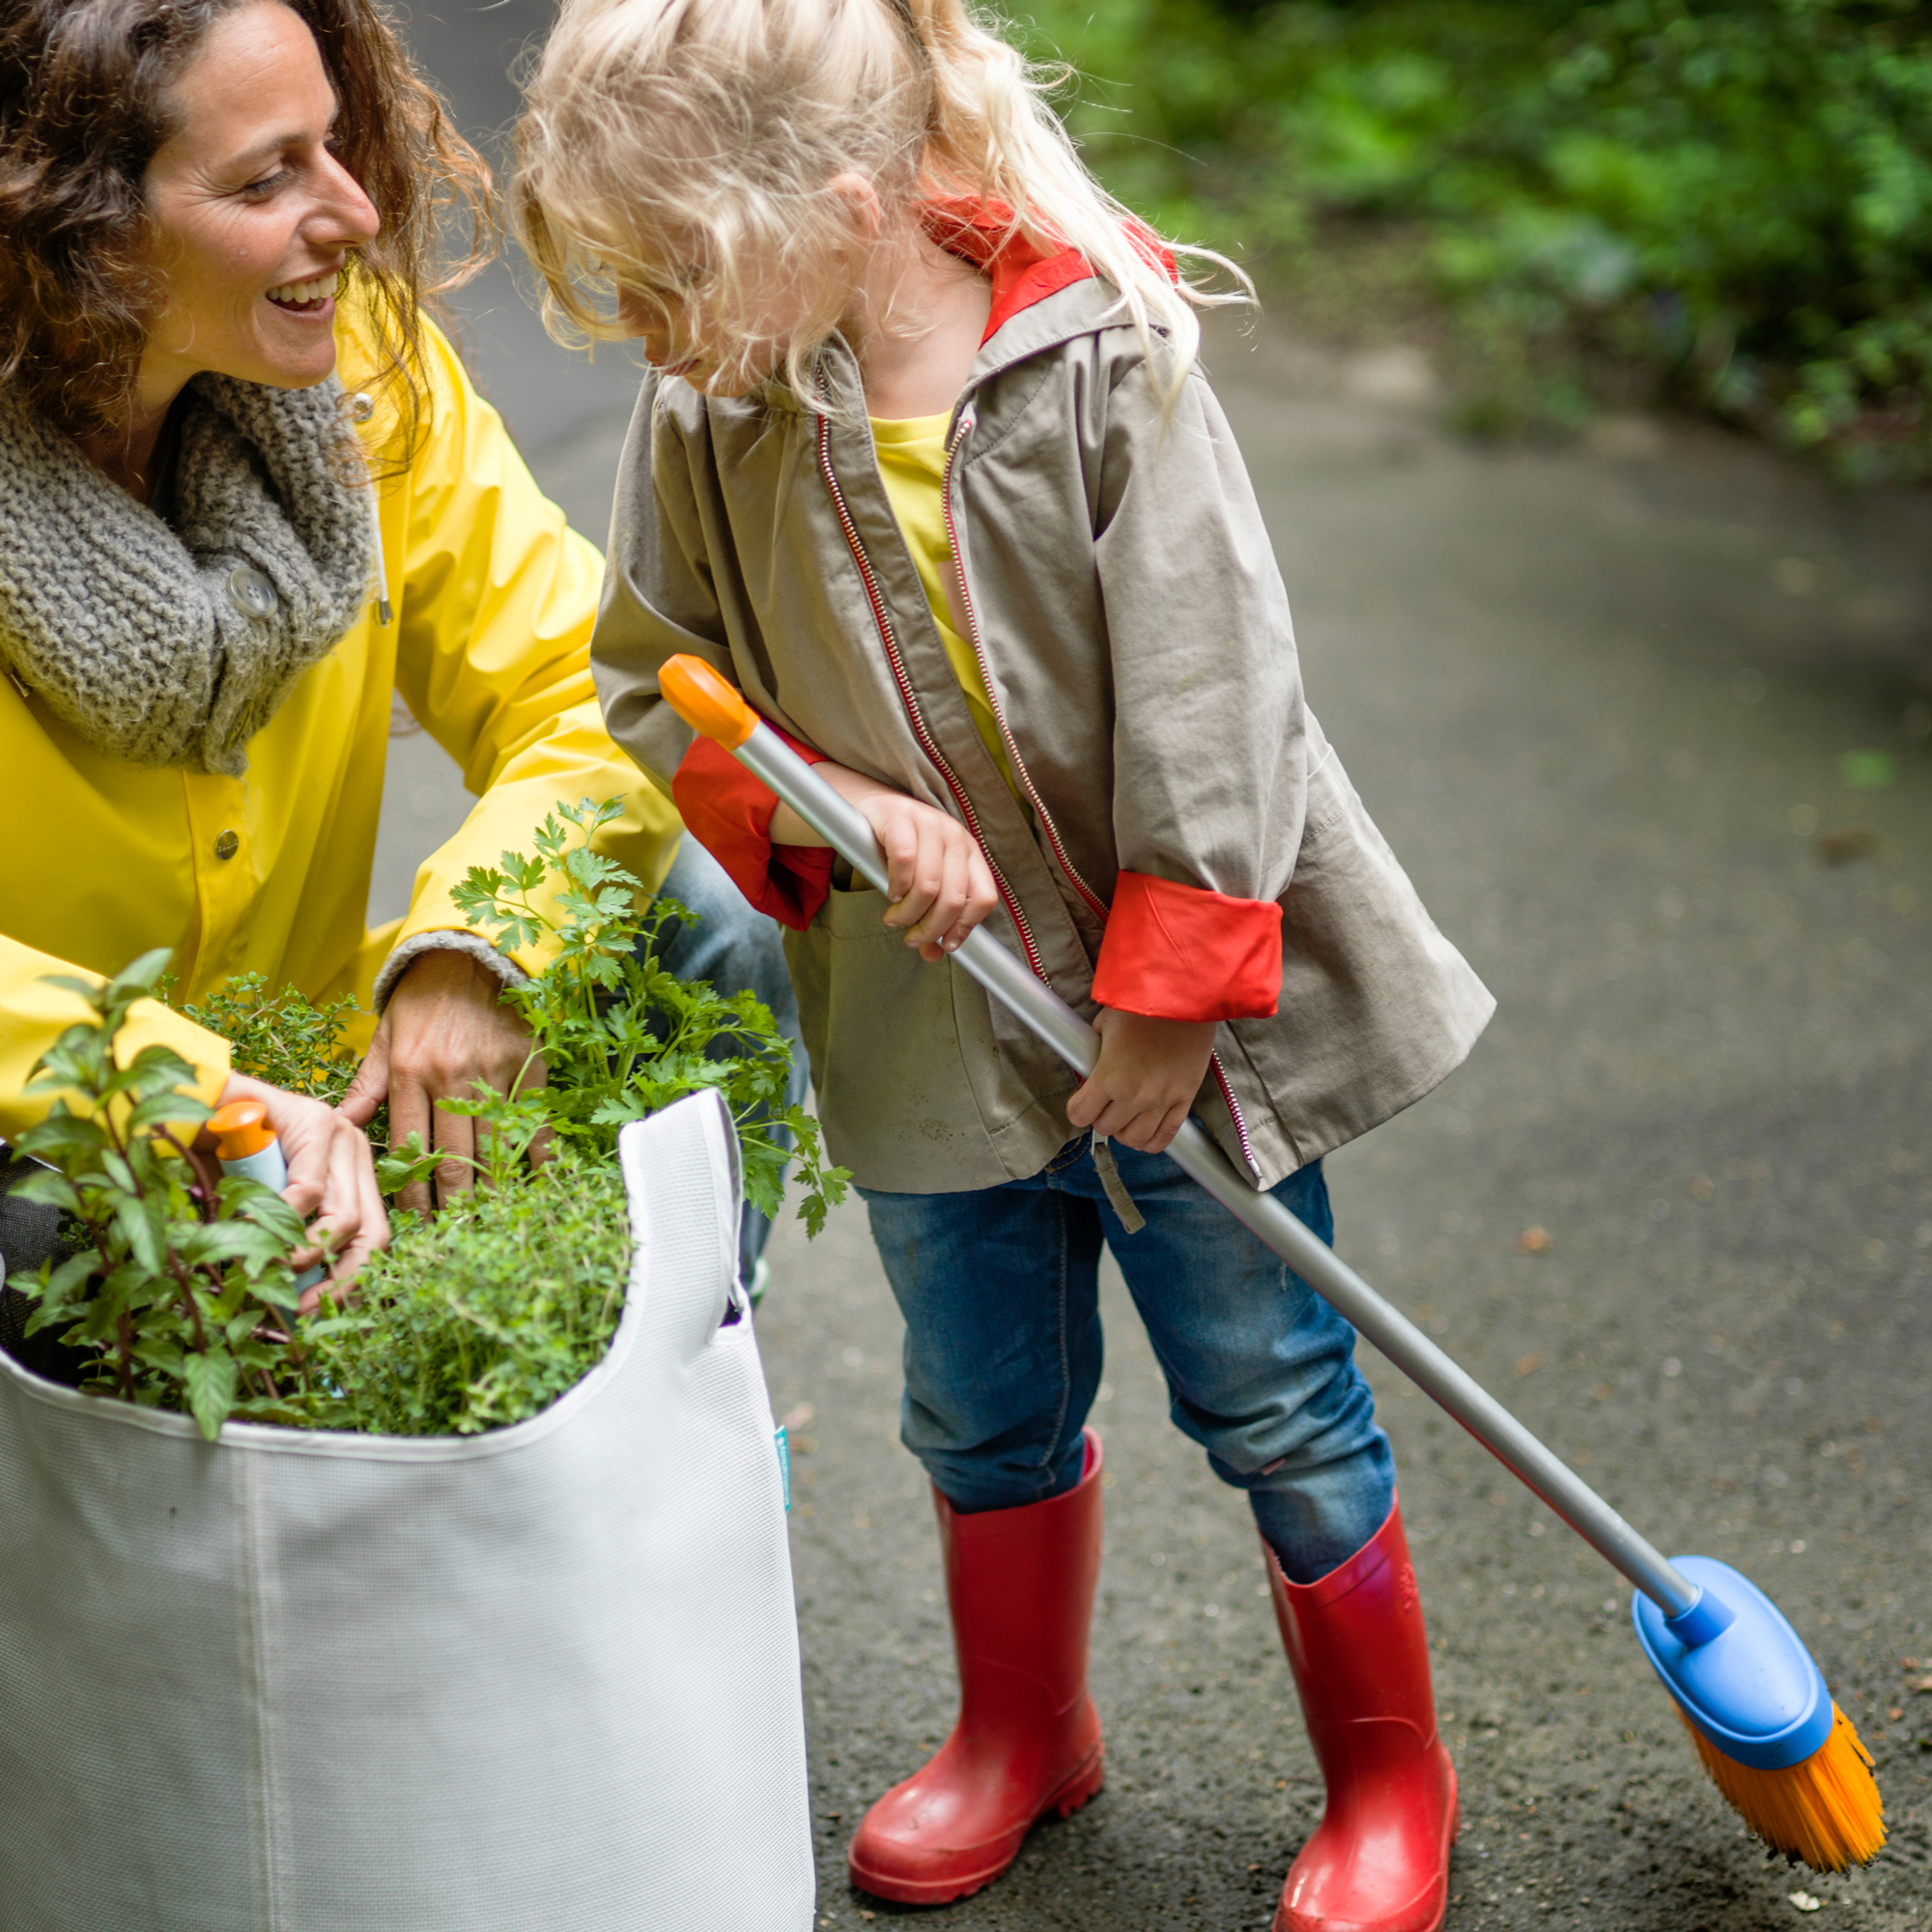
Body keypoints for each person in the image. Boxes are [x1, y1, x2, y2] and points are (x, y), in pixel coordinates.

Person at [516, 0, 1494, 1925]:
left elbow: (1223, 704)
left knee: (1273, 1392)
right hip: (929, 1010)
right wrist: (838, 816)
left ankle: (1390, 1776)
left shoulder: (1098, 360)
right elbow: (658, 687)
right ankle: (1019, 1730)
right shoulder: (715, 399)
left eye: (666, 275)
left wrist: (1164, 999)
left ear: (843, 202)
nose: (646, 330)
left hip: (1174, 1023)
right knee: (978, 1401)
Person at [0, 0, 797, 1331]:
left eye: (332, 144)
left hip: (321, 1052)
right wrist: (182, 1095)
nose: (356, 212)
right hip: (62, 1107)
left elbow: (596, 687)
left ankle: (675, 1402)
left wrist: (480, 946)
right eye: (267, 178)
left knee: (715, 897)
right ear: (70, 235)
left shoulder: (358, 368)